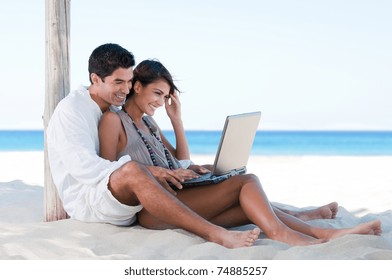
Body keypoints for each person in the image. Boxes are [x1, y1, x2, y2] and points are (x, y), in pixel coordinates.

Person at [98, 59, 382, 246]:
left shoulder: (149, 123)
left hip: (178, 194)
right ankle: (283, 232)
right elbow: (113, 175)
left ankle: (324, 233)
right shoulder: (114, 121)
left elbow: (181, 160)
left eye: (166, 96)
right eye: (157, 93)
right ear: (137, 86)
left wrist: (177, 121)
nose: (161, 101)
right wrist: (160, 174)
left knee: (240, 196)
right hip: (153, 210)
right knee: (246, 182)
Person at [47, 43, 261, 249]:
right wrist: (152, 172)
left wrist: (176, 125)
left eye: (129, 81)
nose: (126, 89)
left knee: (218, 174)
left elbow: (177, 160)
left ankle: (277, 215)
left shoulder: (112, 107)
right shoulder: (73, 110)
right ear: (95, 79)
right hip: (89, 200)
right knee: (132, 169)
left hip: (120, 194)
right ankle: (214, 233)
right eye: (118, 82)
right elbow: (85, 168)